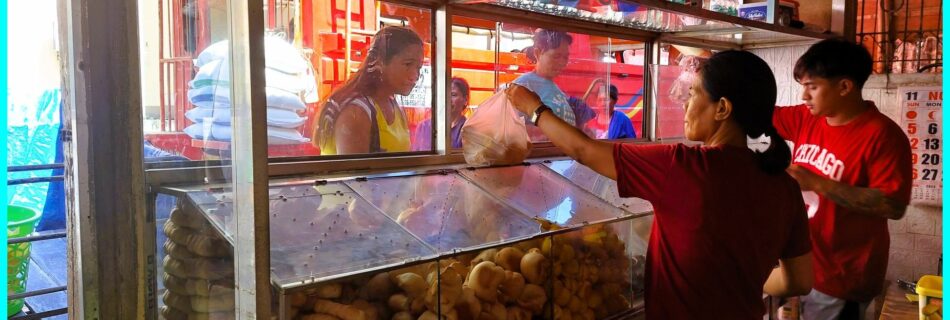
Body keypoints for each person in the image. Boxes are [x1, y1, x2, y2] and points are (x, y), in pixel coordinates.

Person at [507, 50, 813, 319]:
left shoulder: (684, 167)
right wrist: (741, 281)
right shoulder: (783, 185)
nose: (684, 104)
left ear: (722, 108)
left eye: (693, 94)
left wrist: (534, 108)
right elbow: (799, 280)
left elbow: (584, 151)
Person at [773, 38, 912, 319]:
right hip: (800, 262)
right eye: (803, 87)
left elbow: (893, 206)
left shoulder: (883, 136)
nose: (804, 96)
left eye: (812, 87)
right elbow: (755, 117)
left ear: (845, 87)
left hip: (843, 277)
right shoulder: (806, 118)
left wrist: (817, 183)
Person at [314, 26, 423, 155]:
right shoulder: (356, 111)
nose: (414, 75)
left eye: (418, 67)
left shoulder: (394, 105)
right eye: (408, 64)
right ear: (381, 62)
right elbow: (355, 173)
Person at [514, 30, 577, 138]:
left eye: (566, 57)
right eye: (556, 56)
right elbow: (515, 128)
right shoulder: (524, 86)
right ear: (537, 53)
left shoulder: (556, 89)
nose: (562, 63)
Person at [412, 77, 470, 151]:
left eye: (453, 95)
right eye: (443, 94)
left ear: (465, 99)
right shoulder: (424, 127)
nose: (447, 99)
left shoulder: (469, 129)